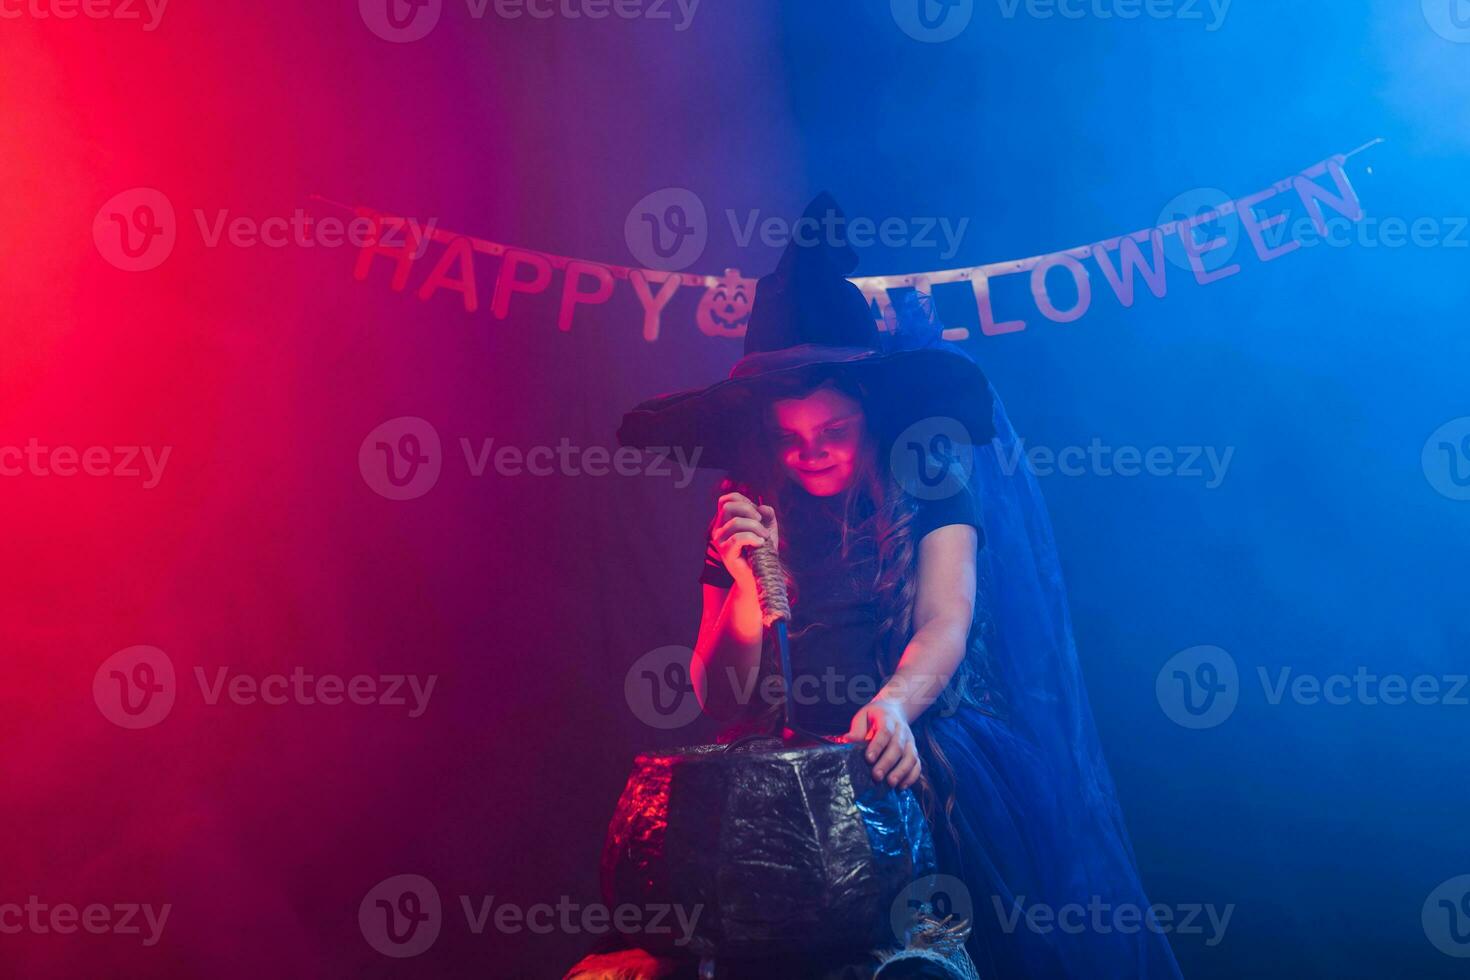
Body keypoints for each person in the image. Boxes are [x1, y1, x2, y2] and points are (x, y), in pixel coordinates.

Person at [618, 196, 1183, 978]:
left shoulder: (928, 474)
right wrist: (749, 588)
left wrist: (892, 705)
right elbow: (717, 691)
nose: (810, 453)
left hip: (918, 740)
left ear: (870, 417)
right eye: (791, 439)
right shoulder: (746, 502)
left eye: (833, 432)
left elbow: (948, 620)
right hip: (791, 774)